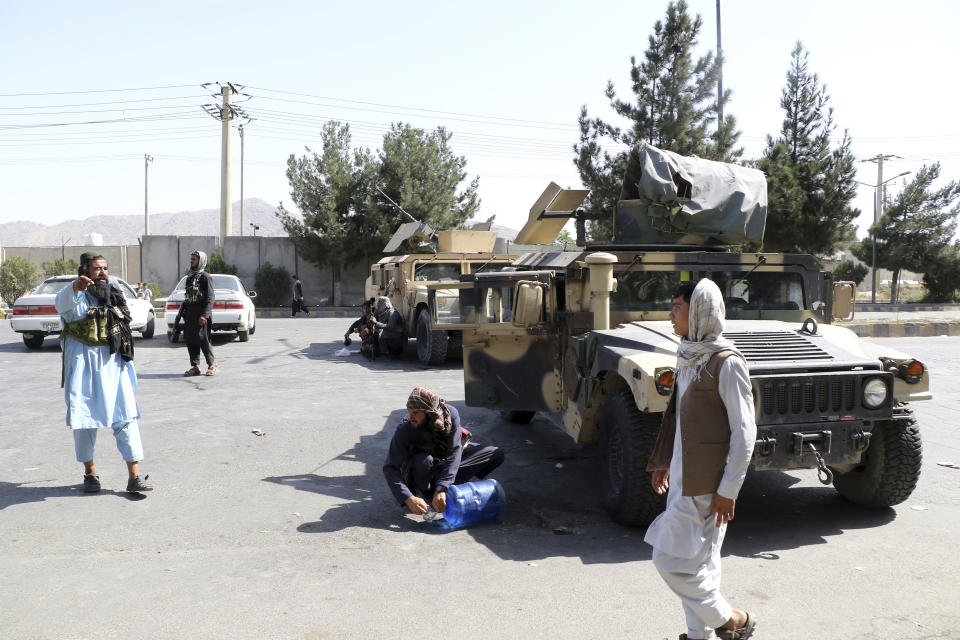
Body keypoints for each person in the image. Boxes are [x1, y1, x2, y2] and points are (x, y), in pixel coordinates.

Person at [644, 279, 757, 640]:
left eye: (676, 306)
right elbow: (677, 419)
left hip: (708, 488)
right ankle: (698, 636)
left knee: (671, 561)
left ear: (697, 311)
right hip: (682, 478)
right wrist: (663, 460)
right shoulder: (690, 355)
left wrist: (730, 490)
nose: (670, 314)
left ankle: (733, 620)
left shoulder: (727, 363)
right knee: (700, 565)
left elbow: (744, 433)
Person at [55, 253, 152, 494]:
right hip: (84, 369)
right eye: (97, 268)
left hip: (114, 365)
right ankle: (90, 472)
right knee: (84, 421)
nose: (102, 272)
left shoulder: (114, 295)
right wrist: (75, 287)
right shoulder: (74, 295)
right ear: (85, 271)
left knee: (126, 416)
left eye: (105, 268)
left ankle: (134, 477)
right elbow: (61, 303)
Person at [383, 387, 505, 516]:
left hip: (443, 466)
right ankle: (429, 493)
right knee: (424, 460)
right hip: (421, 471)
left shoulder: (450, 415)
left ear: (429, 412)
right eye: (409, 411)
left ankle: (442, 488)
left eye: (416, 413)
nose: (411, 417)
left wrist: (442, 486)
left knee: (495, 453)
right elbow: (390, 468)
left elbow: (454, 452)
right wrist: (408, 498)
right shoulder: (405, 428)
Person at [178, 250, 217, 376]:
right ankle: (196, 366)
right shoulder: (190, 277)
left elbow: (210, 297)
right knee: (190, 339)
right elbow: (188, 296)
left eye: (194, 259)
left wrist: (205, 315)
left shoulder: (206, 277)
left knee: (203, 339)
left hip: (201, 314)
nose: (192, 261)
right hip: (190, 313)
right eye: (191, 259)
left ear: (201, 261)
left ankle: (212, 365)